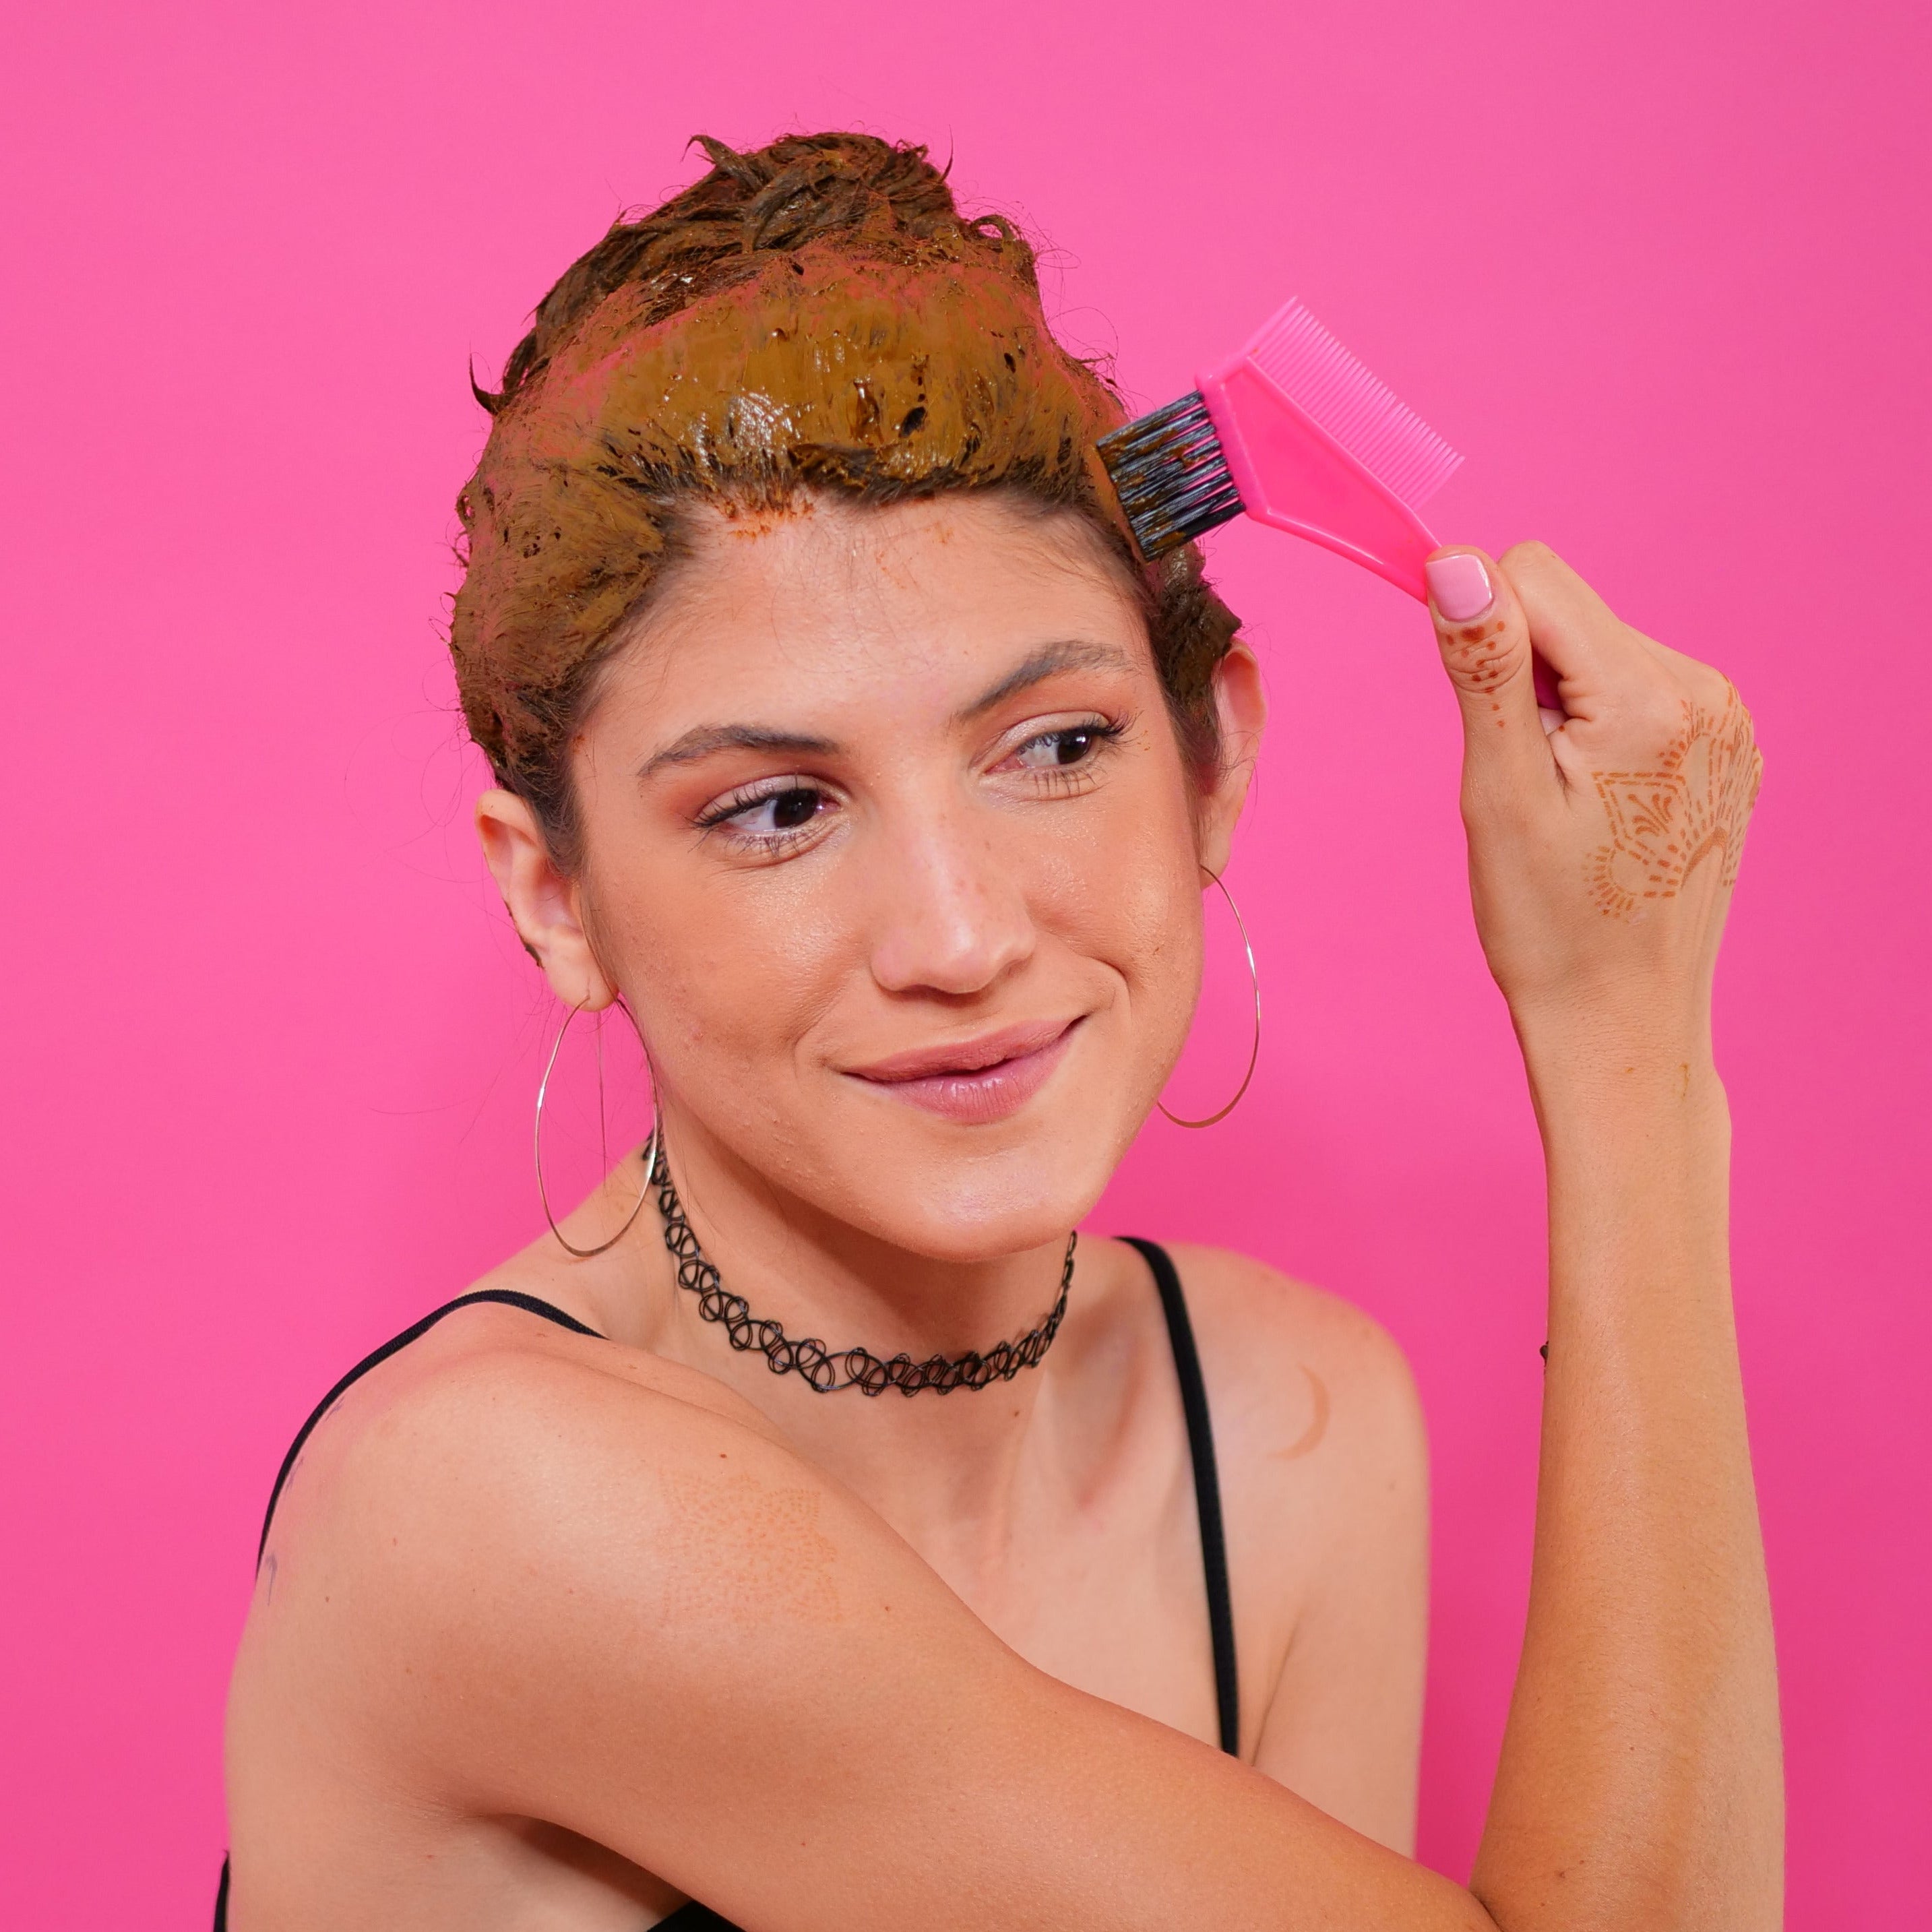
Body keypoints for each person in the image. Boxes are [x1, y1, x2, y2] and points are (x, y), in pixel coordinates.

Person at [218, 132, 1780, 1930]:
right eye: (776, 808)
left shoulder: (1288, 1424)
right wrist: (1626, 1043)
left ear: (1211, 758)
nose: (957, 936)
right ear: (555, 898)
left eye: (1054, 746)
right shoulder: (487, 1501)